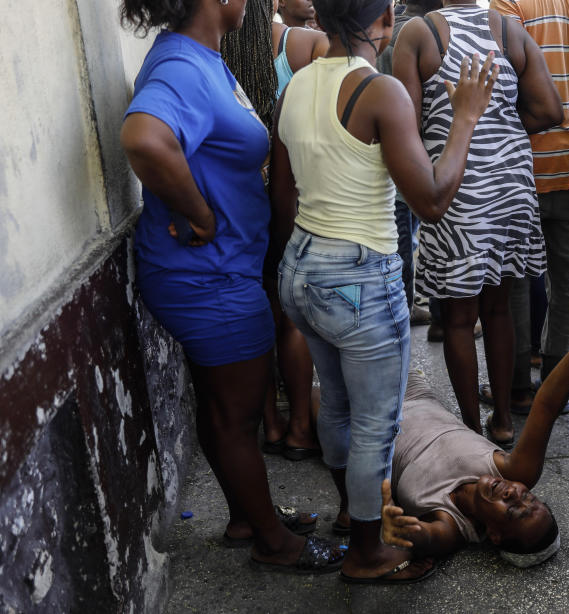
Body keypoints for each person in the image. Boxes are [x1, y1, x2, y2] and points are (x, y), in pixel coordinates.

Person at [269, 0, 499, 583]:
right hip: (358, 279)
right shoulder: (382, 93)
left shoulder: (295, 84)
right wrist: (466, 116)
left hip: (301, 268)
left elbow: (283, 192)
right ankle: (367, 554)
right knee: (377, 421)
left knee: (340, 405)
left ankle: (354, 511)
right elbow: (430, 199)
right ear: (384, 23)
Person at [120, 0, 343, 573]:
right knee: (237, 414)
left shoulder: (201, 58)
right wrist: (201, 215)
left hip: (222, 270)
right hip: (208, 276)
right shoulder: (183, 66)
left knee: (226, 407)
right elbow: (145, 138)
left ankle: (250, 516)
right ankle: (272, 541)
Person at [392, 1, 562, 446]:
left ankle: (469, 429)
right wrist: (500, 126)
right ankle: (503, 420)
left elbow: (402, 122)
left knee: (459, 318)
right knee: (500, 307)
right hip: (511, 183)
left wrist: (454, 131)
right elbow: (550, 110)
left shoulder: (419, 33)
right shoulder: (510, 32)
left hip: (457, 183)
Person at [377, 300, 569, 567]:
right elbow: (547, 406)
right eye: (527, 496)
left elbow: (426, 538)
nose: (514, 494)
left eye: (514, 510)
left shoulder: (451, 525)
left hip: (367, 426)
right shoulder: (514, 472)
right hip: (411, 388)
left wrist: (400, 529)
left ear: (494, 534)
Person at [487, 0, 569, 413]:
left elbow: (505, 77)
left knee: (518, 280)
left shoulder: (508, 4)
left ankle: (519, 387)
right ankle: (556, 387)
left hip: (525, 160)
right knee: (568, 281)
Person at [220, 0, 329, 462]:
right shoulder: (307, 46)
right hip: (298, 201)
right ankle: (302, 425)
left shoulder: (212, 48)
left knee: (261, 313)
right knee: (295, 320)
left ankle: (271, 425)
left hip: (238, 203)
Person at [376, 0, 443, 316]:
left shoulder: (395, 28)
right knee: (405, 238)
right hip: (411, 160)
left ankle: (416, 304)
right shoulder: (417, 32)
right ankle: (406, 306)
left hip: (401, 160)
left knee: (409, 235)